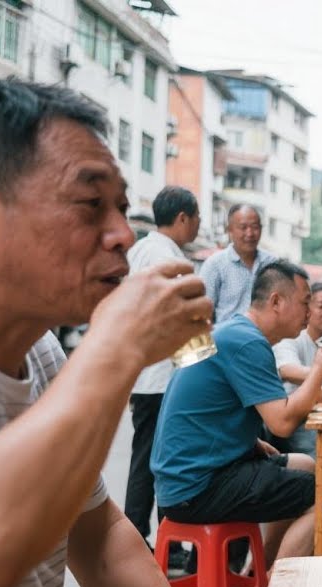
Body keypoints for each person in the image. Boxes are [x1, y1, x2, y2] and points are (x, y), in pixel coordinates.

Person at [0, 76, 240, 587]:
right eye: (90, 205)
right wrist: (115, 346)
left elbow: (97, 537)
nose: (122, 234)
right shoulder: (87, 354)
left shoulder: (42, 351)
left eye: (122, 209)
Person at [153, 261, 322, 566]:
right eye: (305, 302)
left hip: (178, 477)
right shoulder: (248, 341)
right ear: (276, 301)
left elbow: (200, 408)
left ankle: (260, 573)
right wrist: (319, 370)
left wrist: (250, 442)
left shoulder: (228, 330)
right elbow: (282, 424)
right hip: (197, 485)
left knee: (306, 465)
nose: (309, 313)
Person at [124, 185, 201, 544]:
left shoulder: (141, 250)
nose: (198, 225)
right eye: (196, 218)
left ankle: (148, 537)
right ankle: (145, 538)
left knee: (147, 459)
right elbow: (182, 318)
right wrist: (201, 368)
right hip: (161, 378)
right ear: (183, 218)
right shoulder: (166, 259)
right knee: (160, 463)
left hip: (145, 374)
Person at [273, 282, 322, 454]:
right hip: (296, 421)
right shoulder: (292, 338)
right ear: (308, 309)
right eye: (321, 306)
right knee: (319, 450)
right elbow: (287, 370)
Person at [199, 204, 275, 322]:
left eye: (255, 227)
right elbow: (203, 311)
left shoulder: (272, 264)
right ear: (229, 230)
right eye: (243, 227)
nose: (250, 233)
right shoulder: (215, 265)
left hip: (263, 333)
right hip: (226, 333)